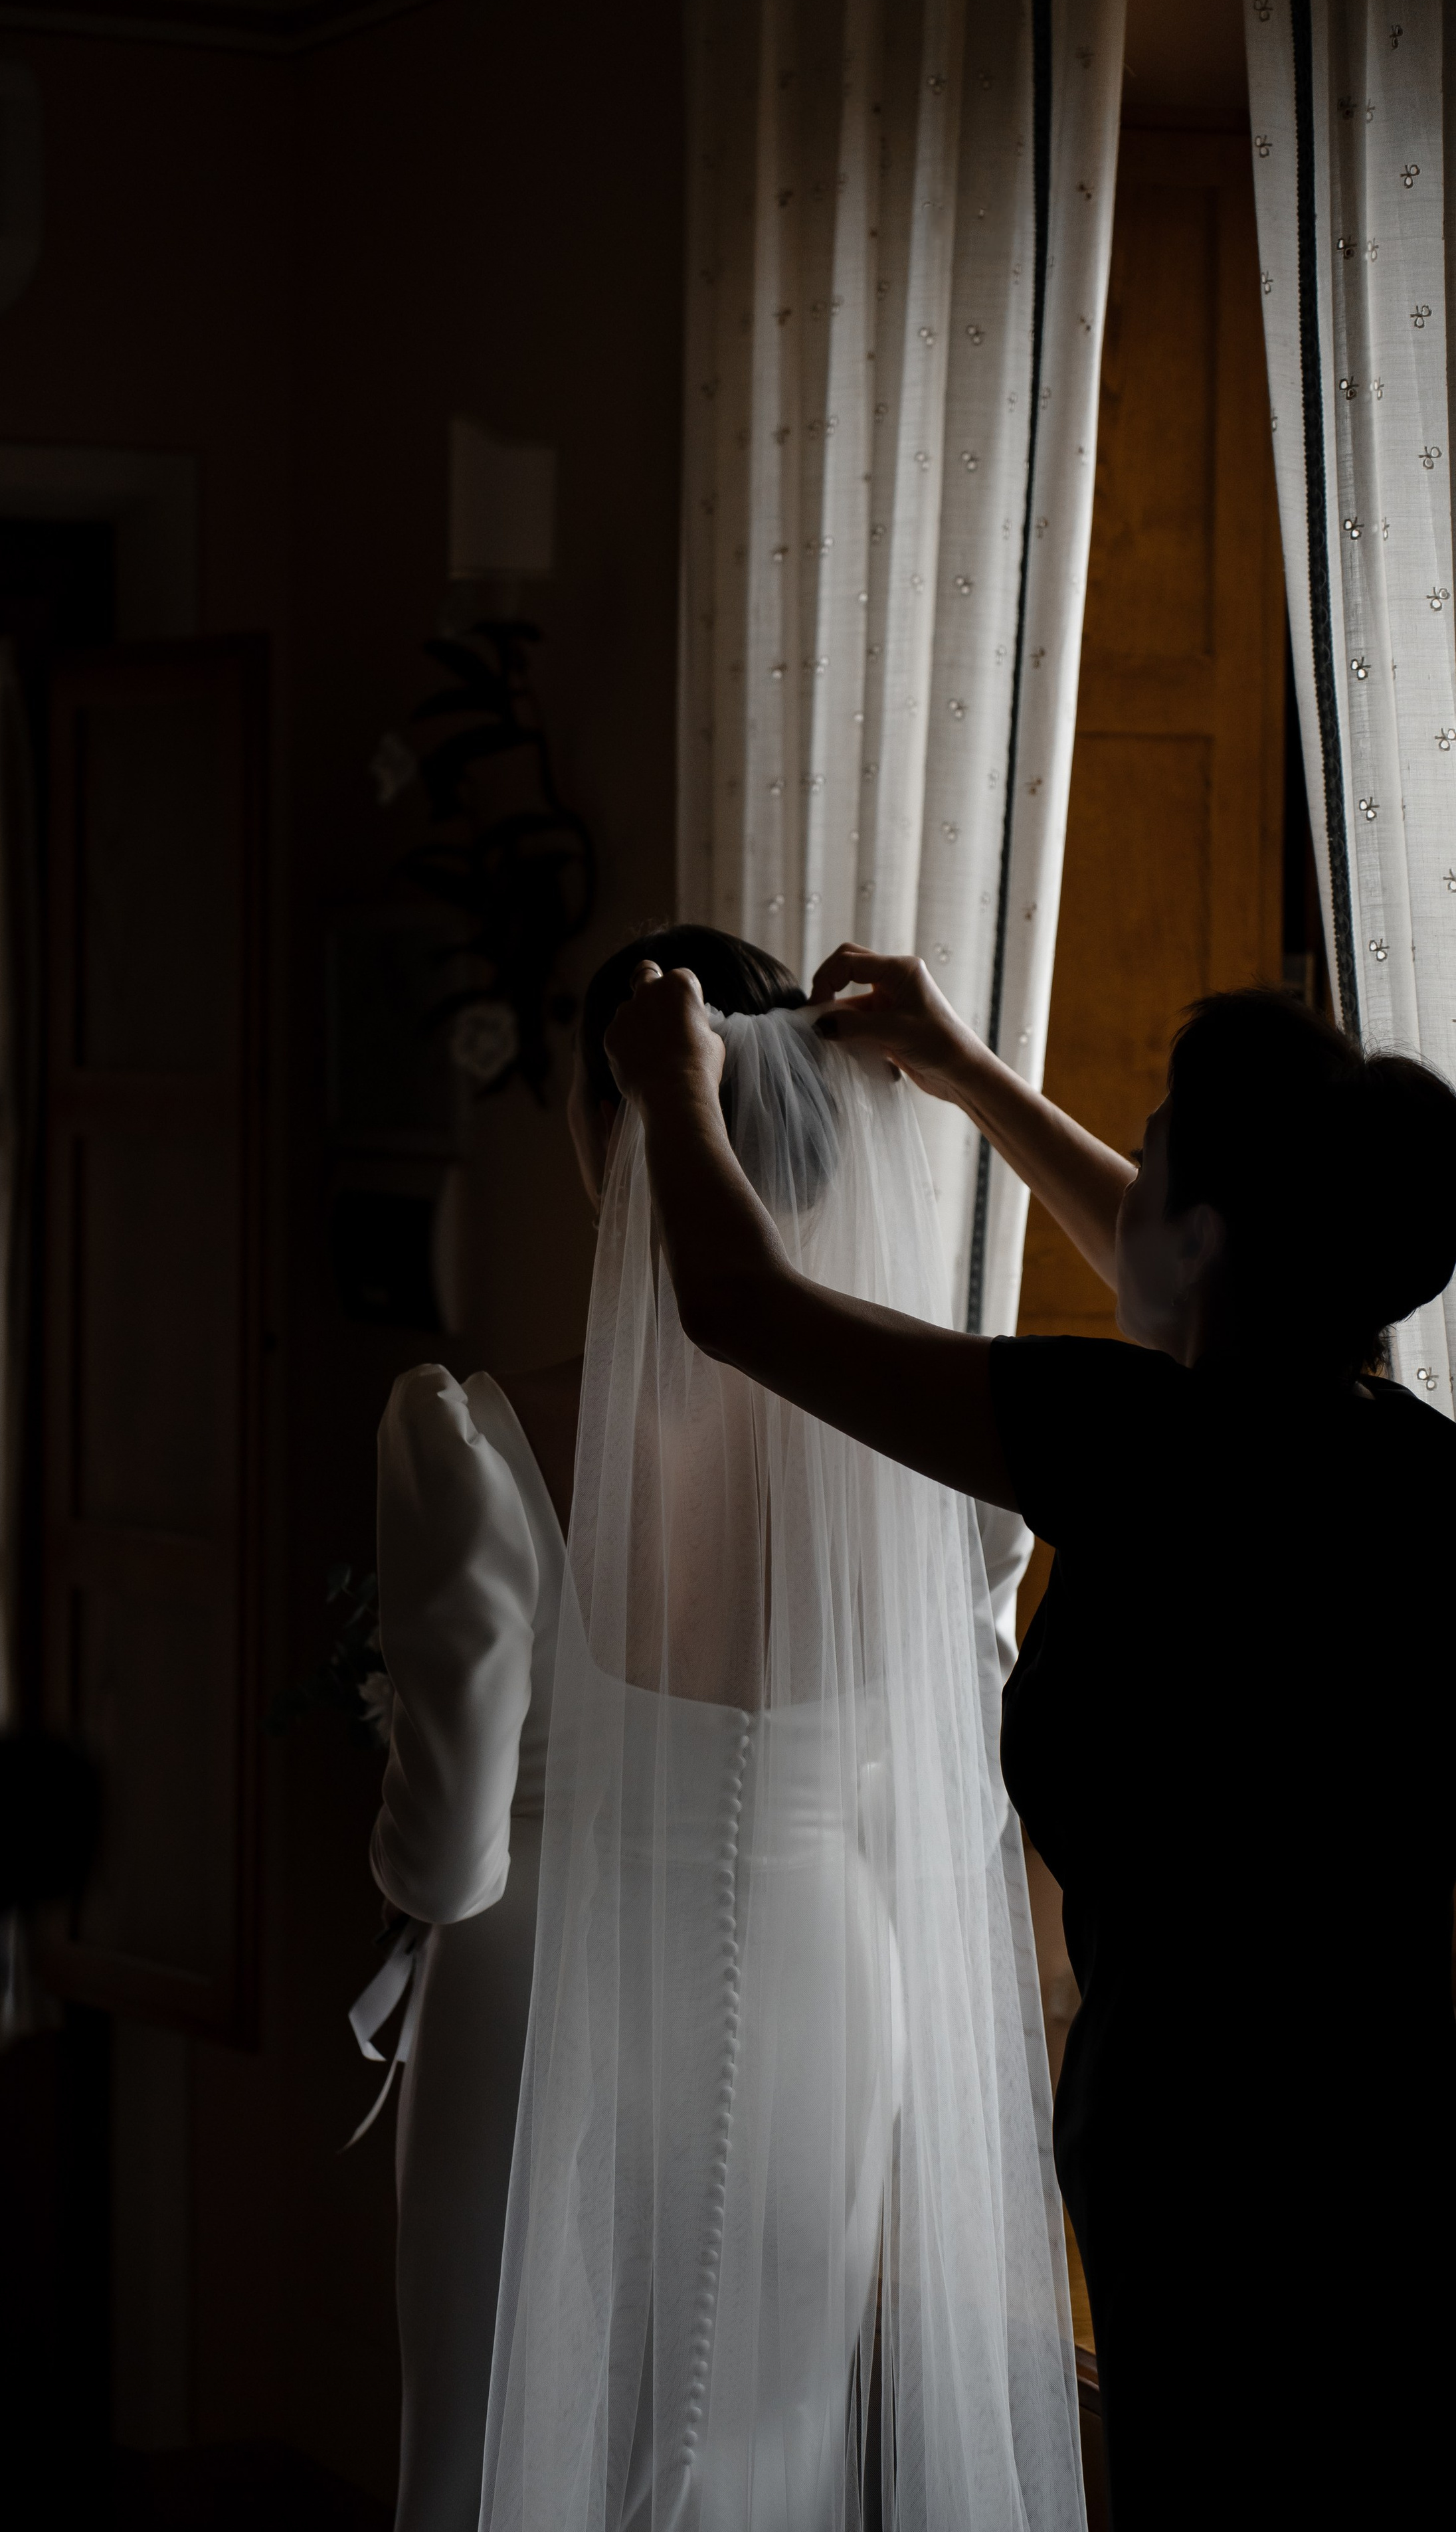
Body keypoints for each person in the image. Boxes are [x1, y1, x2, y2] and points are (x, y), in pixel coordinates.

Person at [602, 943, 1456, 2529]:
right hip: (1395, 2138)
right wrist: (967, 1071)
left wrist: (667, 1084)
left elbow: (735, 1307)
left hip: (1203, 2157)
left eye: (1151, 1159)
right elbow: (1184, 1278)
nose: (1127, 1185)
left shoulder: (1134, 1443)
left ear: (1206, 1236)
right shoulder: (1410, 1469)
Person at [365, 927, 1083, 2532]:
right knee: (768, 2442)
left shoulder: (470, 1443)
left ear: (598, 1127)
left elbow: (446, 1858)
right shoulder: (941, 1464)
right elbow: (953, 1809)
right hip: (826, 1981)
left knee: (491, 2448)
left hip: (538, 1999)